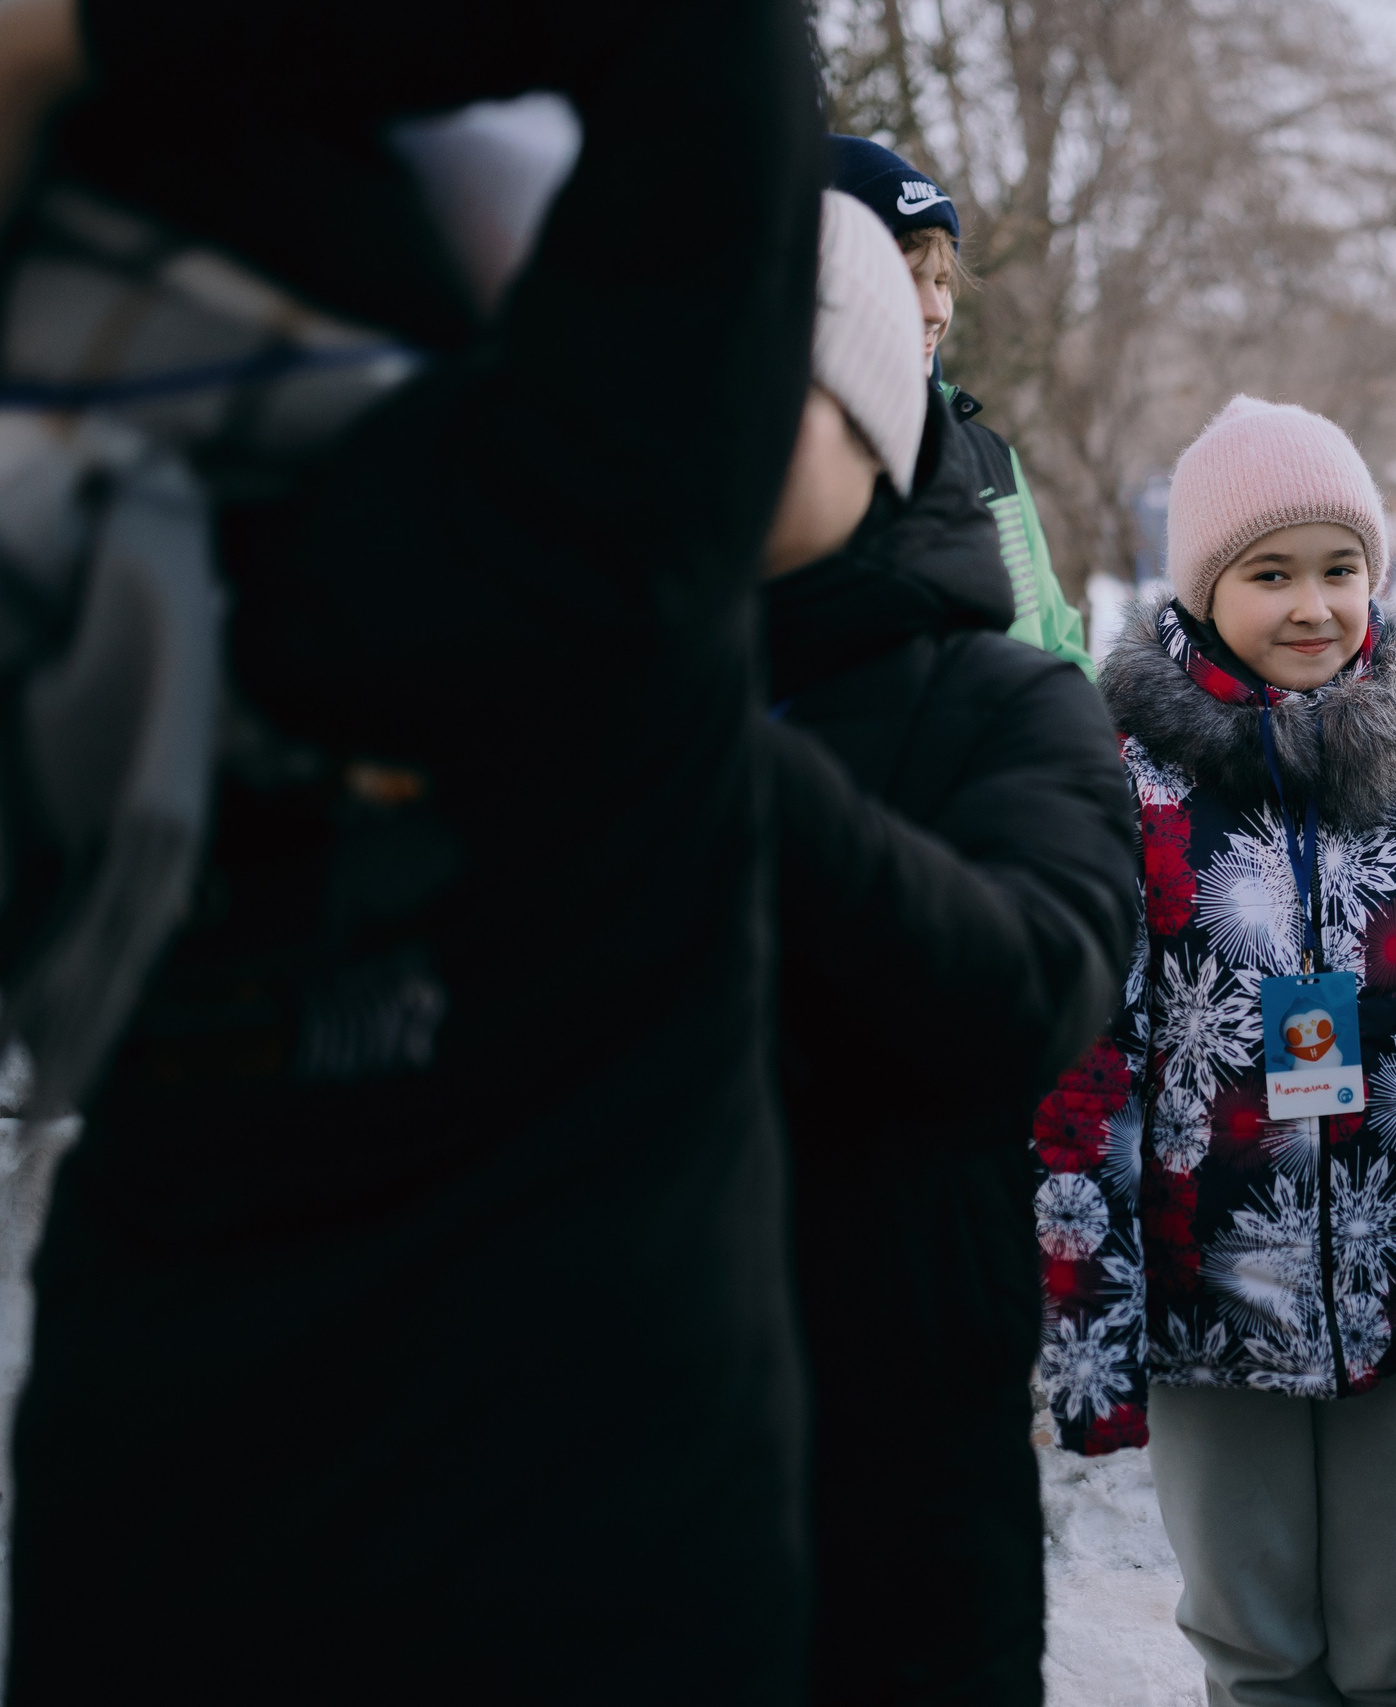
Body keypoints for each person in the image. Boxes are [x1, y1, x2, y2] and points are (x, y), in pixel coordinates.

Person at [2, 0, 823, 1698]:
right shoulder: (589, 517)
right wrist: (91, 36)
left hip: (149, 1553)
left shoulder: (44, 590)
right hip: (590, 1556)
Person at [1033, 394, 1396, 1705]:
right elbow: (1086, 1049)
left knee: (1394, 1634)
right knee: (1256, 1637)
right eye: (1271, 573)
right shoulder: (1129, 772)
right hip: (1208, 1281)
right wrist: (1087, 1289)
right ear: (1207, 588)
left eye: (1341, 567)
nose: (1314, 604)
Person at [760, 189, 1137, 1704]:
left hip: (889, 1451)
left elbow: (1035, 982)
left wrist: (730, 765)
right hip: (592, 1441)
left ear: (874, 423)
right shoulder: (547, 675)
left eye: (763, 380)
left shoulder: (1004, 700)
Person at [827, 133, 1096, 674]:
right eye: (907, 278)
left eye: (943, 282)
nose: (933, 309)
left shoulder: (989, 457)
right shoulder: (799, 465)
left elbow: (1059, 647)